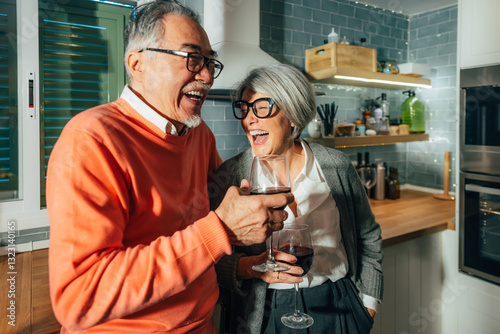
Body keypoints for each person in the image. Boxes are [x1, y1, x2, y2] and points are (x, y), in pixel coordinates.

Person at [46, 1, 292, 333]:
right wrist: (222, 229)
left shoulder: (198, 134)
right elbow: (80, 299)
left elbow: (211, 230)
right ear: (137, 64)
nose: (205, 76)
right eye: (191, 58)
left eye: (209, 62)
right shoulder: (92, 139)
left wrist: (247, 253)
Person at [210, 63, 384, 334]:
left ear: (292, 115)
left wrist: (368, 306)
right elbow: (210, 260)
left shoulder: (334, 165)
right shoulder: (231, 176)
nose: (249, 119)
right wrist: (247, 268)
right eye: (244, 108)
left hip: (338, 304)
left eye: (262, 107)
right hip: (262, 313)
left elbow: (368, 235)